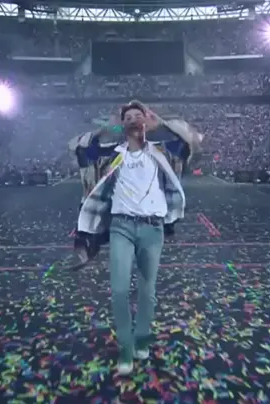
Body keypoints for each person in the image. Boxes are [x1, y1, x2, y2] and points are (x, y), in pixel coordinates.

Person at [74, 102, 186, 375]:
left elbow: (186, 143)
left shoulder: (161, 151)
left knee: (148, 290)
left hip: (153, 229)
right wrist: (109, 127)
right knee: (120, 290)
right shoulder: (112, 155)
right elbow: (82, 149)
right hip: (121, 227)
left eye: (138, 116)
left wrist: (160, 122)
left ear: (146, 121)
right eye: (128, 118)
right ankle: (126, 347)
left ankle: (142, 337)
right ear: (123, 125)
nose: (134, 120)